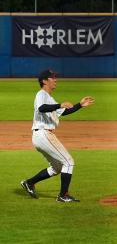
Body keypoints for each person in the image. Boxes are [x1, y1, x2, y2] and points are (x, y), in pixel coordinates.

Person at [20, 69, 94, 202]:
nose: (55, 80)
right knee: (69, 162)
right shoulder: (41, 94)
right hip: (43, 134)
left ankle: (29, 183)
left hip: (42, 136)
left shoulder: (50, 98)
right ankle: (63, 195)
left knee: (57, 167)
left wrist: (80, 105)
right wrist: (59, 104)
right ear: (44, 81)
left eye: (55, 77)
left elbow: (63, 112)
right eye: (52, 78)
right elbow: (42, 108)